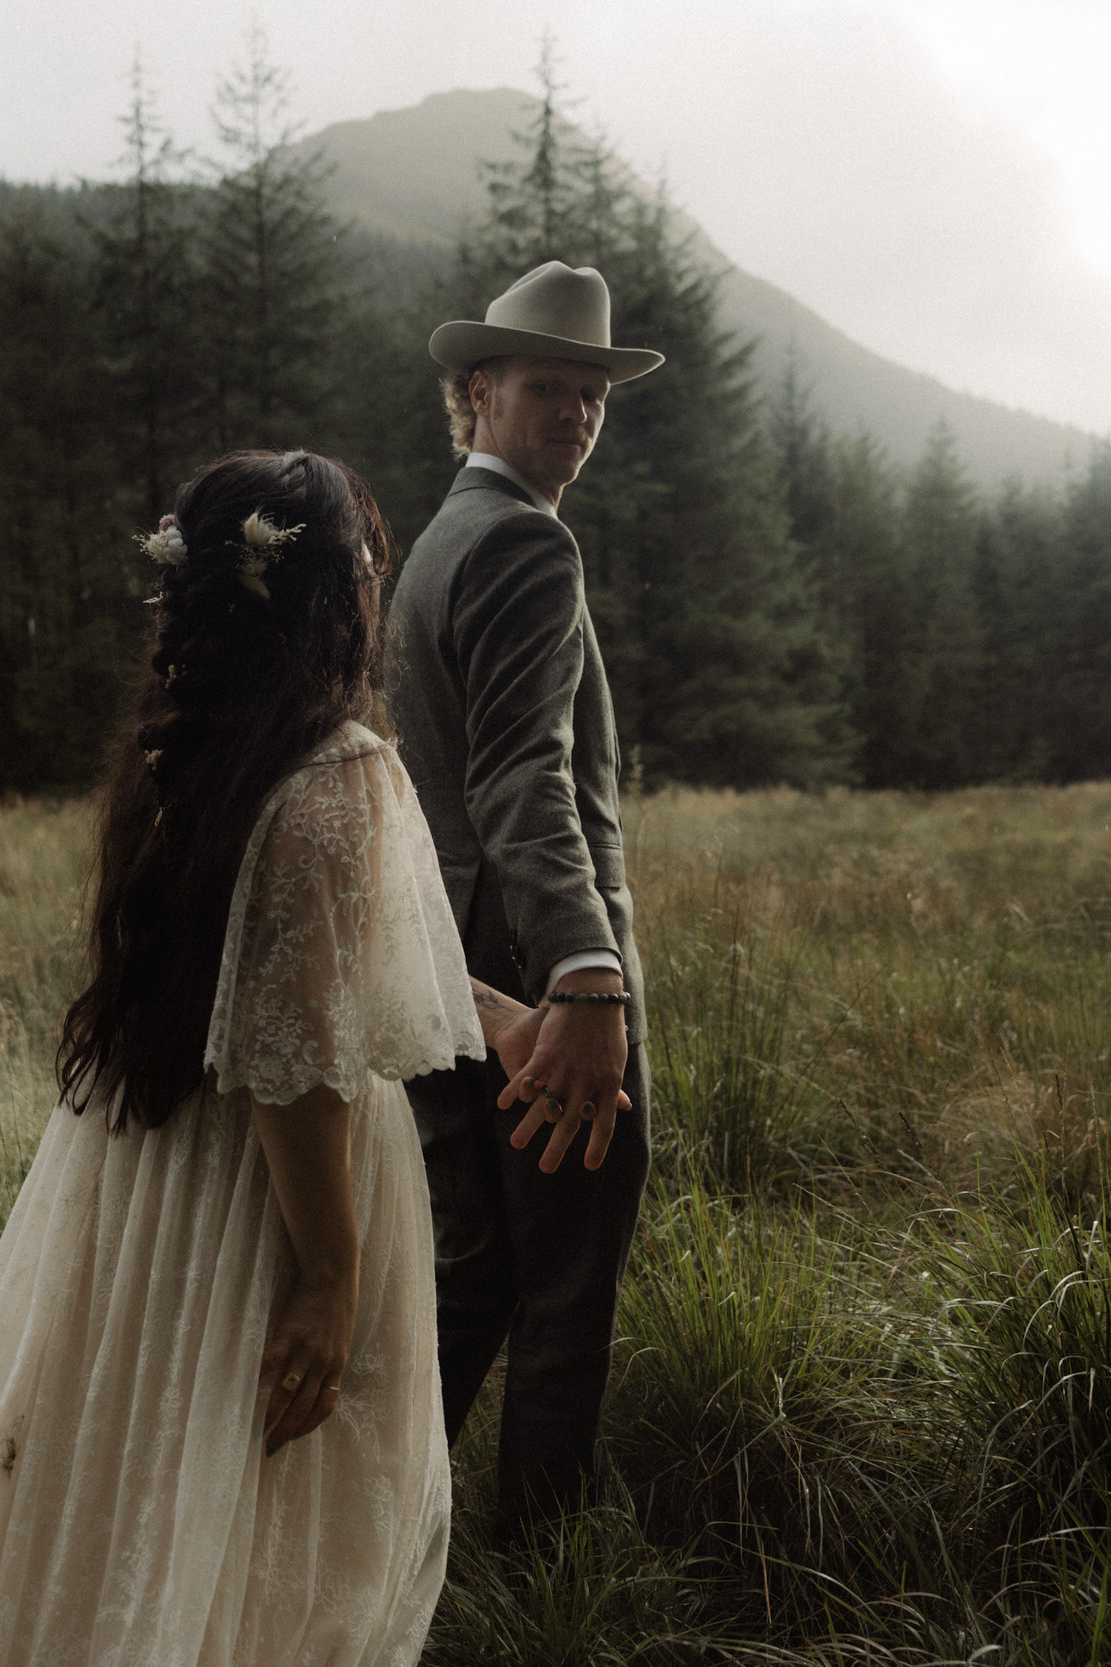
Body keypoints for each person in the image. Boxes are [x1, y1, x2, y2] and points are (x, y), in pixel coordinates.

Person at [0, 451, 553, 1667]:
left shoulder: (192, 749)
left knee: (130, 1476)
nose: (377, 583)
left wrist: (499, 1016)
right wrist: (327, 1275)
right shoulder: (335, 770)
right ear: (332, 594)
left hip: (149, 1174)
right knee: (278, 1510)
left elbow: (308, 954)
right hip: (265, 1198)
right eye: (367, 562)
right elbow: (289, 1058)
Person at [388, 261, 665, 1536]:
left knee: (476, 1272)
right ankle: (543, 1563)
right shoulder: (524, 541)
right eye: (547, 387)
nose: (576, 413)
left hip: (444, 964)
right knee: (565, 1280)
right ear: (478, 393)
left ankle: (384, 1537)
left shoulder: (440, 538)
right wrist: (585, 973)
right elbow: (517, 777)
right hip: (530, 972)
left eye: (591, 394)